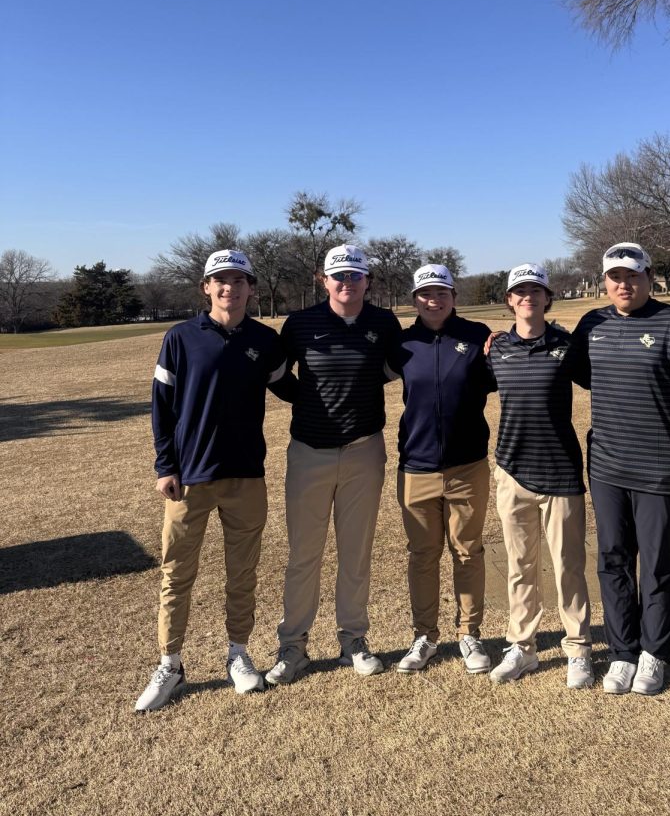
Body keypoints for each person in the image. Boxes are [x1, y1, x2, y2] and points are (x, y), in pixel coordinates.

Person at [135, 248, 291, 713]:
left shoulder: (264, 341)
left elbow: (292, 389)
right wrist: (166, 466)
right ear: (206, 288)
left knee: (241, 574)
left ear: (251, 289)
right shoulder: (181, 338)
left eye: (239, 281)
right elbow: (161, 406)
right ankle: (171, 663)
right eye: (221, 281)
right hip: (191, 479)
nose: (230, 288)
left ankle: (238, 655)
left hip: (246, 477)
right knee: (176, 575)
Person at [570, 242, 670, 696]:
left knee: (656, 564)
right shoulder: (592, 324)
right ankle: (622, 651)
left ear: (649, 276)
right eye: (615, 276)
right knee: (612, 560)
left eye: (632, 276)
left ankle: (654, 653)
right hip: (608, 466)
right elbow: (561, 363)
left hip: (661, 470)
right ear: (604, 281)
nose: (623, 284)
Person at [266, 244, 402, 683]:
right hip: (309, 451)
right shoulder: (301, 323)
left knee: (355, 552)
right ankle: (293, 645)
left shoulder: (383, 323)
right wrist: (307, 399)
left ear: (368, 282)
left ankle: (353, 640)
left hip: (364, 450)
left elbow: (390, 368)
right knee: (304, 554)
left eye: (355, 277)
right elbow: (277, 374)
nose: (347, 284)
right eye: (338, 277)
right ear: (323, 281)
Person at [485, 264, 593, 689]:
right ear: (509, 301)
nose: (527, 296)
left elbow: (598, 379)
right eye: (519, 291)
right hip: (511, 470)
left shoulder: (567, 346)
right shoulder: (495, 349)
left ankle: (578, 648)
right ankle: (523, 648)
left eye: (536, 290)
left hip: (561, 472)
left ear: (548, 298)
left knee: (569, 565)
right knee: (520, 566)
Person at [392, 264, 493, 675]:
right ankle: (425, 636)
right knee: (423, 554)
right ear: (414, 298)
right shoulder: (402, 343)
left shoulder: (477, 336)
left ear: (454, 295)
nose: (434, 300)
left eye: (442, 293)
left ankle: (469, 633)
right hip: (416, 465)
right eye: (425, 294)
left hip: (468, 464)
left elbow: (505, 378)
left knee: (467, 550)